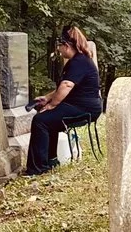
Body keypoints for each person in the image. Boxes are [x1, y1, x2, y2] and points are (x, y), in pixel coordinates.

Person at [25, 23, 104, 174]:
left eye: (60, 47)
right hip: (79, 105)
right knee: (48, 120)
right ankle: (50, 161)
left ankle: (38, 169)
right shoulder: (78, 60)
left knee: (41, 121)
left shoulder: (78, 62)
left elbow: (67, 85)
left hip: (85, 109)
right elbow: (63, 86)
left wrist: (52, 105)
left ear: (66, 45)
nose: (59, 51)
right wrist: (47, 98)